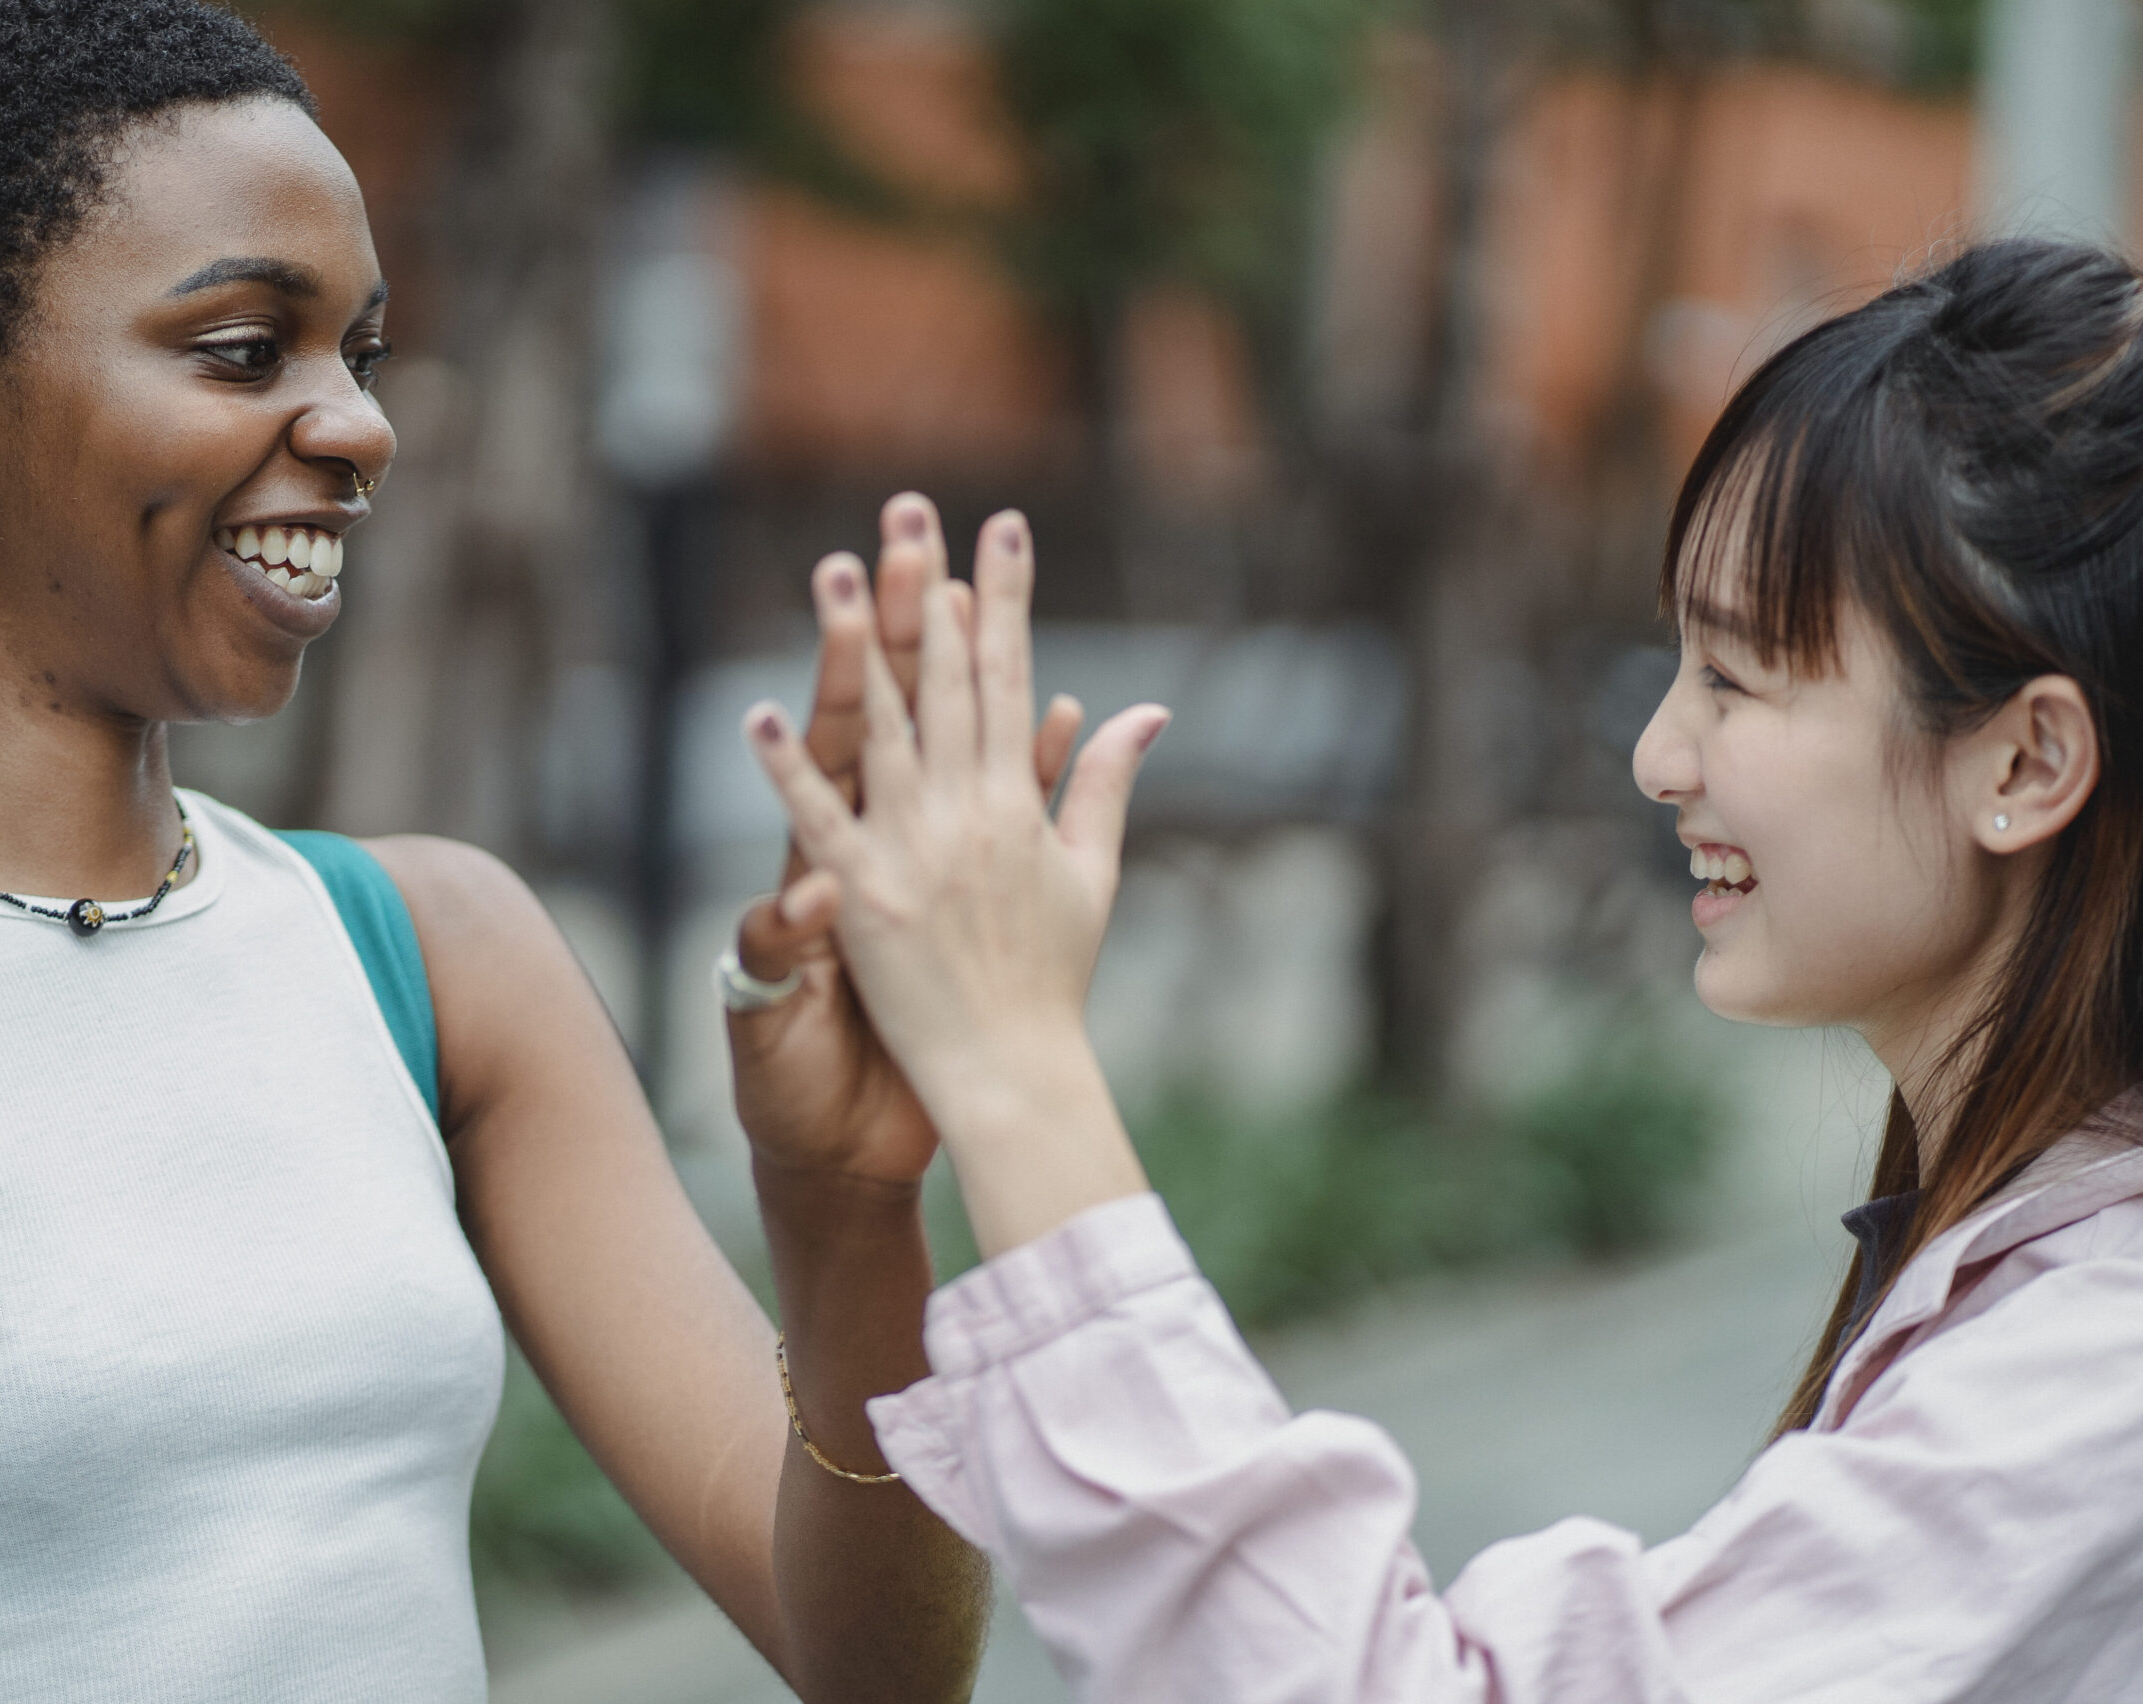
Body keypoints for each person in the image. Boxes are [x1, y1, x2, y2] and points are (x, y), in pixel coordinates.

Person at [0, 4, 994, 1700]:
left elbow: (884, 1673)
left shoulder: (433, 960)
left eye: (358, 357)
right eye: (247, 351)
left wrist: (849, 1215)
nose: (358, 428)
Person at [733, 238, 2143, 1701]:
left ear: (2025, 763)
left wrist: (1018, 1071)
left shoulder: (2094, 1371)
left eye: (1734, 678)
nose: (1659, 757)